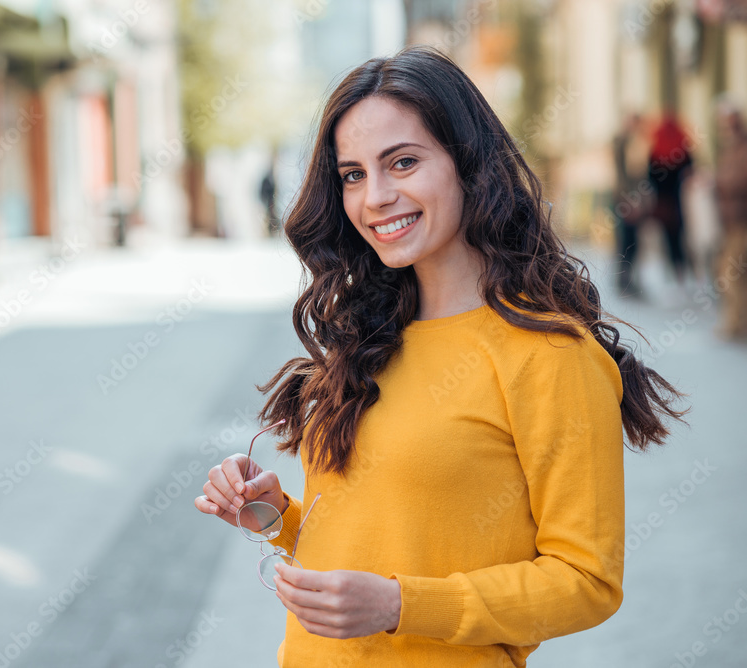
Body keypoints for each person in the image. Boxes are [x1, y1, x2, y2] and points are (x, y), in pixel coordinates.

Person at [194, 46, 690, 667]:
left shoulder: (549, 354)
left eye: (402, 162)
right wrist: (276, 515)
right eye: (353, 174)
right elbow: (383, 542)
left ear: (469, 165)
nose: (375, 196)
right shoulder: (364, 340)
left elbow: (587, 581)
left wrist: (403, 606)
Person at [647, 111, 695, 289]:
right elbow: (691, 170)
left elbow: (650, 177)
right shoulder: (682, 148)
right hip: (680, 202)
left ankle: (674, 271)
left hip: (663, 203)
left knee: (668, 238)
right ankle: (682, 271)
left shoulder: (656, 150)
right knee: (681, 236)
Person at [713, 99, 747, 340]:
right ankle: (737, 323)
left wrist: (719, 183)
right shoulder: (730, 148)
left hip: (741, 222)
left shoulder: (741, 149)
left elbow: (737, 182)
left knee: (729, 273)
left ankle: (736, 323)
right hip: (730, 223)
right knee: (734, 274)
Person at [612, 112, 650, 297]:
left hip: (634, 199)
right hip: (626, 199)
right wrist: (630, 199)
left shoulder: (638, 142)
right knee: (626, 241)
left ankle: (629, 280)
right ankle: (624, 281)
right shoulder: (623, 143)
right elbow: (624, 176)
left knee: (633, 242)